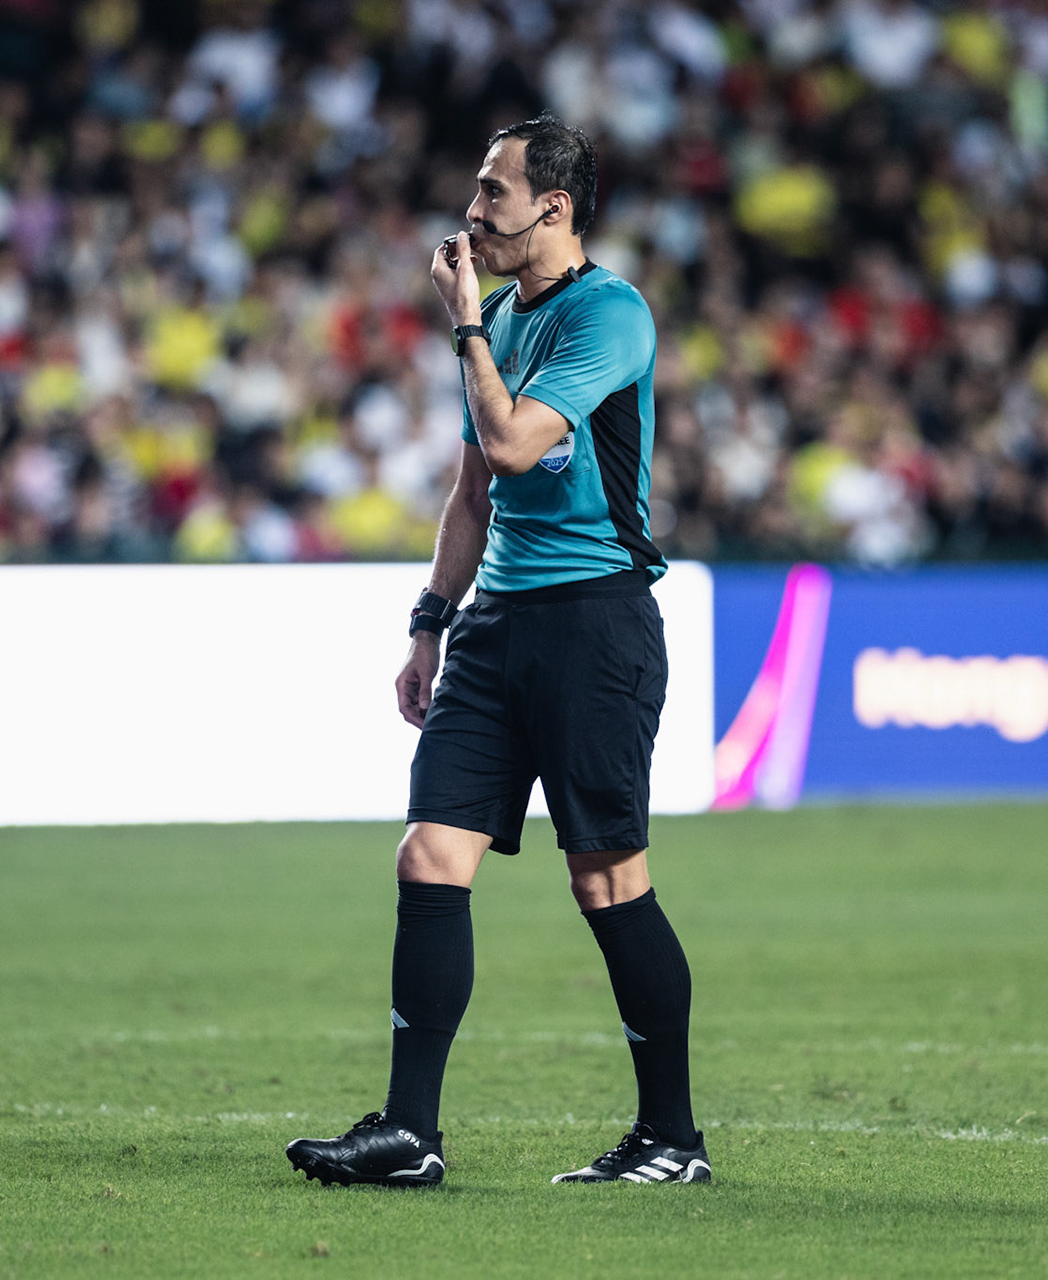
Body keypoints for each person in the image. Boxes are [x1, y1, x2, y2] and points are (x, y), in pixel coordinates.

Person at [285, 114, 709, 1187]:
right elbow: (475, 491)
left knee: (607, 879)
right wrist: (430, 622)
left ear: (554, 207)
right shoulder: (502, 324)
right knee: (428, 854)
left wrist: (468, 326)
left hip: (593, 623)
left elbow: (520, 443)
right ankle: (409, 1133)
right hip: (495, 627)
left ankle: (672, 1137)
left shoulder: (607, 316)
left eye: (493, 192)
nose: (472, 212)